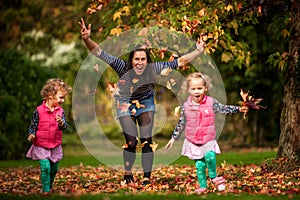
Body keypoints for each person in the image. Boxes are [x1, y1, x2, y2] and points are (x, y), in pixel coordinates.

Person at [78, 18, 206, 187]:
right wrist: (87, 39)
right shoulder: (121, 66)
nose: (139, 63)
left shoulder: (153, 69)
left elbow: (180, 62)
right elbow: (99, 52)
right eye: (136, 59)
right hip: (124, 103)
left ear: (147, 61)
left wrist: (198, 50)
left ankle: (146, 177)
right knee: (131, 142)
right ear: (131, 60)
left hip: (146, 103)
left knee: (146, 139)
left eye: (143, 59)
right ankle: (128, 173)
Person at [165, 72, 249, 194]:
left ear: (205, 88)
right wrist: (173, 138)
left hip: (208, 139)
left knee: (210, 157)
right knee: (199, 165)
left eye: (199, 88)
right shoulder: (186, 106)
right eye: (193, 89)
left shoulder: (211, 102)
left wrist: (239, 109)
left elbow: (223, 108)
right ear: (189, 90)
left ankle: (214, 177)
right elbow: (181, 123)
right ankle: (203, 186)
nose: (196, 91)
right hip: (193, 141)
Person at [26, 78, 72, 195]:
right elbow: (33, 125)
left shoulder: (60, 112)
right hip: (41, 144)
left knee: (54, 169)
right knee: (45, 167)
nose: (63, 100)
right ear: (50, 95)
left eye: (63, 98)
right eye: (61, 97)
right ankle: (46, 189)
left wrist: (61, 123)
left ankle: (49, 184)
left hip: (55, 144)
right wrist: (31, 134)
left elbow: (64, 126)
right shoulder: (39, 111)